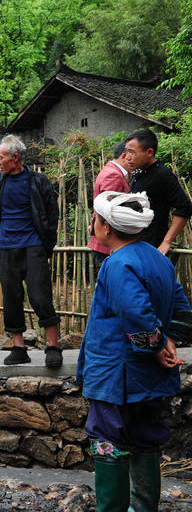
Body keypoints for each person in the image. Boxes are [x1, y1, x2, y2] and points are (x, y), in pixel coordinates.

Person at [77, 191, 188, 511]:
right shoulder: (158, 258)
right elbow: (181, 312)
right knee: (145, 437)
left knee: (108, 438)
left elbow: (136, 314)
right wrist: (168, 340)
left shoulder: (117, 264)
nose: (92, 225)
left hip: (118, 374)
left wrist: (154, 347)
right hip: (149, 378)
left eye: (95, 219)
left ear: (106, 228)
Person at [0, 134, 62, 367]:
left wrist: (45, 244)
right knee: (11, 296)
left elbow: (52, 216)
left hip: (33, 245)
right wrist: (1, 237)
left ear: (15, 158)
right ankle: (19, 348)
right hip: (8, 246)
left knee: (40, 295)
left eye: (1, 158)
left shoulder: (38, 181)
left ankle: (53, 346)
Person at [126, 128, 192, 256]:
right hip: (135, 245)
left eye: (132, 152)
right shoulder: (137, 172)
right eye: (126, 151)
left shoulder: (162, 175)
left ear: (149, 152)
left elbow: (184, 207)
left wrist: (167, 241)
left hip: (152, 249)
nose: (127, 157)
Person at [87, 141, 134, 269]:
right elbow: (109, 212)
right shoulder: (114, 175)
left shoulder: (111, 171)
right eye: (133, 155)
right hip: (110, 244)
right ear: (125, 156)